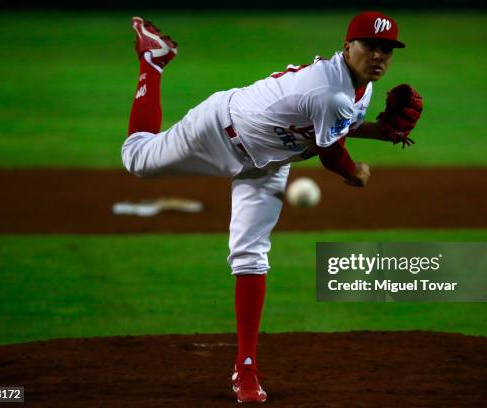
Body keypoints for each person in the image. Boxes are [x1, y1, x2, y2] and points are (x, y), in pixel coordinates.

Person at [122, 11, 422, 403]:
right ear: (348, 47)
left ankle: (245, 369)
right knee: (136, 158)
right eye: (370, 46)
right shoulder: (330, 92)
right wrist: (356, 173)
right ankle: (153, 61)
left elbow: (336, 125)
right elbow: (332, 156)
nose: (379, 56)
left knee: (250, 256)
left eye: (387, 49)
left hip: (273, 161)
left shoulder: (357, 86)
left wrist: (380, 132)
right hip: (219, 129)